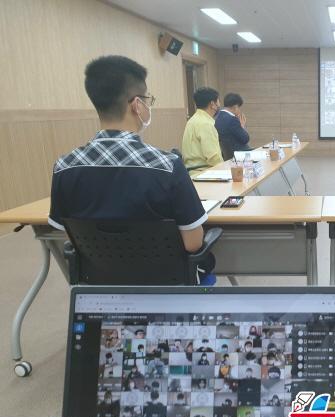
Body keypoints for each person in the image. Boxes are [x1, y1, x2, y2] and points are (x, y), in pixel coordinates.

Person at [48, 56, 213, 280]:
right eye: (147, 100)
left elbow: (72, 237)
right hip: (166, 285)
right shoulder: (168, 166)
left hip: (99, 284)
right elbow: (193, 243)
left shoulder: (64, 168)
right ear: (137, 105)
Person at [181, 87, 224, 171]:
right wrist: (227, 169)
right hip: (205, 173)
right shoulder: (206, 124)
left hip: (192, 172)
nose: (219, 104)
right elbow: (213, 158)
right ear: (212, 104)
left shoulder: (192, 120)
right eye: (218, 101)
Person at [215, 93, 251, 161]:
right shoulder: (232, 120)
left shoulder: (218, 117)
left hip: (227, 156)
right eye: (239, 107)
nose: (239, 110)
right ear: (235, 106)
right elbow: (245, 139)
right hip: (239, 156)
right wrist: (242, 126)